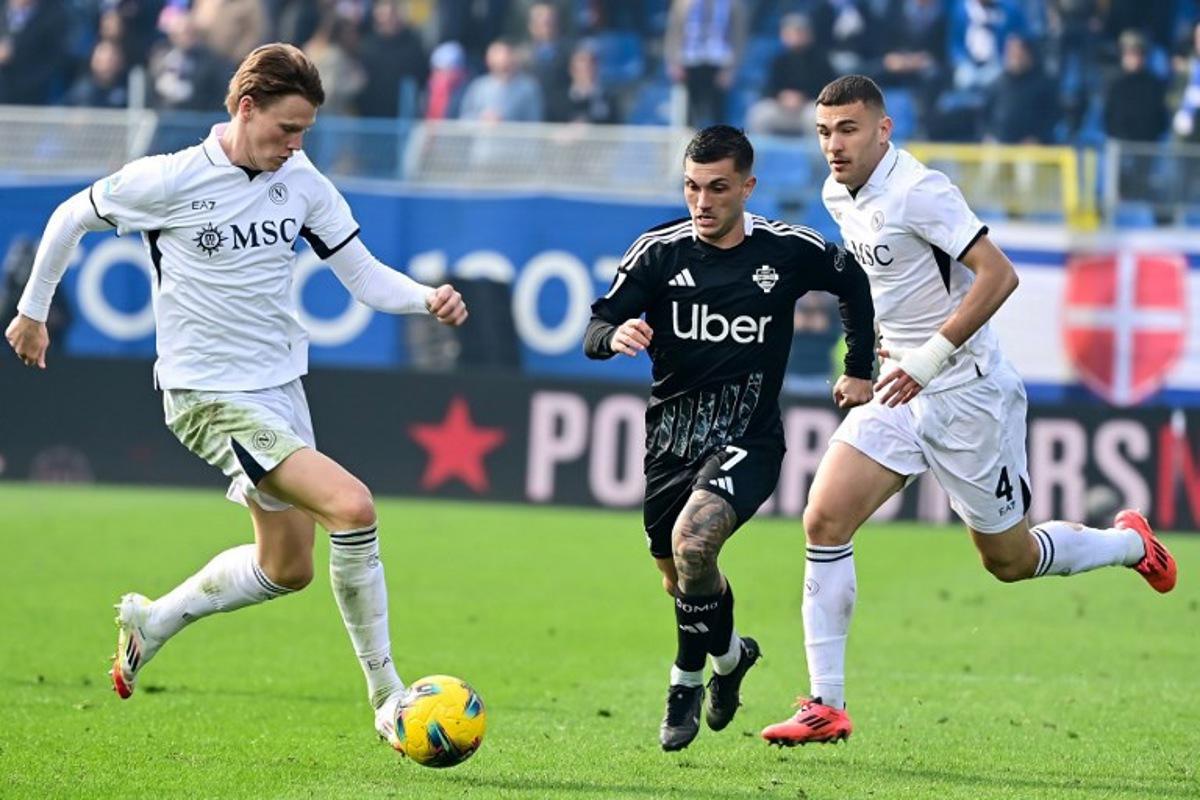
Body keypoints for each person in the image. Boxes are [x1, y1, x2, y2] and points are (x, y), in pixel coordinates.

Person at [4, 43, 468, 748]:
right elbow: (71, 215)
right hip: (207, 393)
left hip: (280, 388)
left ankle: (154, 620)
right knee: (353, 507)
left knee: (288, 568)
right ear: (246, 109)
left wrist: (424, 299)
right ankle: (389, 699)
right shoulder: (171, 179)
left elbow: (365, 276)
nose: (296, 144)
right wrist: (33, 312)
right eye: (287, 128)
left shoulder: (302, 180)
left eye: (306, 130)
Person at [760, 75, 1178, 747]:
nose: (833, 146)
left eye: (848, 130)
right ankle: (825, 705)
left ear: (883, 129)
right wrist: (866, 365)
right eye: (824, 132)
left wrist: (931, 357)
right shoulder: (837, 194)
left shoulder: (920, 191)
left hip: (967, 392)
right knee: (824, 515)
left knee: (1007, 560)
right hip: (900, 385)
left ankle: (1131, 544)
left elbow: (999, 275)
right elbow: (878, 288)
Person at [583, 125, 877, 751]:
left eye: (718, 189)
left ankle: (685, 681)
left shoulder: (786, 250)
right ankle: (731, 656)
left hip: (750, 438)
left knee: (693, 544)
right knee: (682, 575)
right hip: (671, 441)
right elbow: (597, 324)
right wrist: (614, 338)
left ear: (747, 187)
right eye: (691, 187)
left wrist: (858, 367)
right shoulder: (658, 253)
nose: (702, 203)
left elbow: (853, 279)